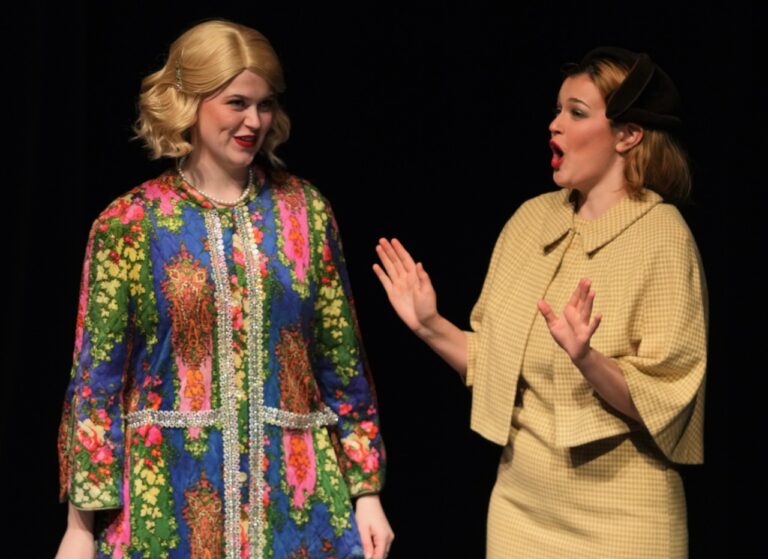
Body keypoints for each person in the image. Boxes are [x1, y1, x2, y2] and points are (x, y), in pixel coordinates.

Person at [56, 19, 393, 559]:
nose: (253, 121)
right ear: (189, 102)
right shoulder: (131, 223)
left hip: (296, 503)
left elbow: (342, 359)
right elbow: (96, 380)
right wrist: (79, 526)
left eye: (264, 104)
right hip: (164, 496)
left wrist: (367, 492)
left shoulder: (304, 211)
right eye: (236, 102)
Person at [374, 46, 707, 558]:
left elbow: (665, 397)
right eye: (557, 110)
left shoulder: (662, 236)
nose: (554, 125)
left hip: (624, 516)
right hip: (520, 510)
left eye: (576, 113)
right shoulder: (530, 221)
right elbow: (493, 364)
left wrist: (587, 359)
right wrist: (429, 325)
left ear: (628, 134)